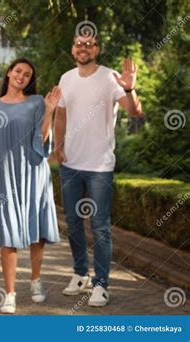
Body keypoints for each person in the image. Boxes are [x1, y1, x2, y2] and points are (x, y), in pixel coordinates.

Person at [54, 33, 142, 307]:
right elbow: (61, 113)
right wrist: (58, 144)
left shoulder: (110, 77)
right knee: (73, 224)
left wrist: (129, 89)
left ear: (97, 49)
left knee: (100, 226)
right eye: (78, 43)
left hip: (100, 166)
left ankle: (101, 285)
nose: (83, 47)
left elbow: (134, 112)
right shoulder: (66, 78)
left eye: (88, 44)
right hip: (70, 164)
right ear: (72, 48)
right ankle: (80, 274)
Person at [0, 58, 61, 314]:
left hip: (35, 173)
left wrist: (49, 110)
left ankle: (35, 281)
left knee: (38, 232)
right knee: (8, 235)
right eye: (18, 71)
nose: (21, 76)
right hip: (8, 177)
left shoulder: (36, 102)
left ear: (29, 80)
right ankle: (10, 293)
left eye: (27, 74)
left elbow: (42, 139)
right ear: (9, 73)